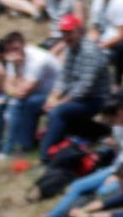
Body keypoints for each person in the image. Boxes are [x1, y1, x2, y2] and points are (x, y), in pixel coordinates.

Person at [41, 15, 111, 160]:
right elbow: (63, 77)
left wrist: (60, 102)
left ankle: (46, 156)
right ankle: (25, 144)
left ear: (79, 30)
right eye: (64, 33)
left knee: (58, 112)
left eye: (69, 32)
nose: (66, 37)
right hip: (77, 98)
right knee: (36, 102)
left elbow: (85, 86)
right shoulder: (70, 49)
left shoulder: (90, 51)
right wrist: (53, 96)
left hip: (95, 99)